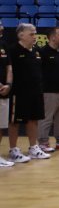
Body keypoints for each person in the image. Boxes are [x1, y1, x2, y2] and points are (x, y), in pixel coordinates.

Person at [6, 23, 50, 162]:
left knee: (34, 119)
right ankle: (13, 149)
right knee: (15, 122)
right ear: (21, 35)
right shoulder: (13, 50)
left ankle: (33, 148)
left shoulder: (36, 51)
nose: (34, 36)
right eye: (31, 34)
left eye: (35, 33)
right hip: (18, 92)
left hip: (36, 91)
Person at [38, 27, 59, 152]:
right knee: (46, 118)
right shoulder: (42, 52)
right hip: (49, 91)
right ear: (52, 37)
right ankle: (43, 143)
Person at [0, 22, 12, 167]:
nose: (2, 27)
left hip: (4, 91)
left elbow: (9, 67)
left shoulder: (4, 45)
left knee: (1, 126)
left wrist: (8, 84)